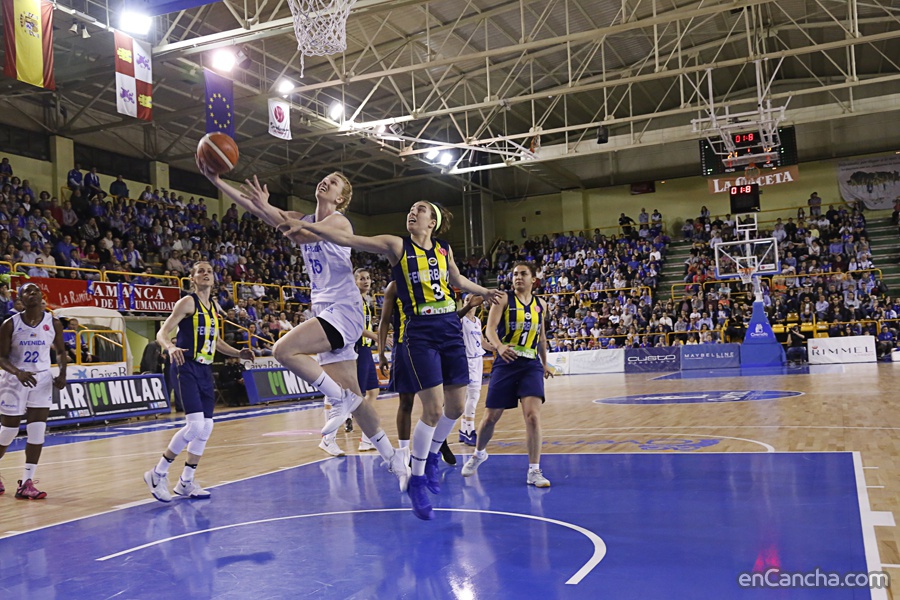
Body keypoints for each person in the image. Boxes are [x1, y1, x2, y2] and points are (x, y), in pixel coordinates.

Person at [280, 200, 503, 520]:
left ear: (433, 223)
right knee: (433, 408)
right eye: (410, 208)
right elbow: (347, 240)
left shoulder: (443, 250)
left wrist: (483, 289)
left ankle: (434, 453)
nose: (412, 212)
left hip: (450, 327)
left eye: (421, 210)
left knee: (455, 406)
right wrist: (310, 225)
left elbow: (457, 279)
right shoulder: (396, 244)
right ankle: (417, 477)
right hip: (420, 333)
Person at [198, 165, 410, 491]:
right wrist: (216, 180)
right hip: (326, 310)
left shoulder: (339, 222)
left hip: (344, 309)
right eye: (325, 177)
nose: (326, 181)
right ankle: (392, 456)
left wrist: (270, 209)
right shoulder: (302, 216)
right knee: (359, 401)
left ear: (341, 198)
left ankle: (336, 398)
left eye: (335, 182)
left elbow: (296, 233)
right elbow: (258, 209)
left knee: (284, 349)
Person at [143, 262, 255, 502]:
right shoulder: (187, 303)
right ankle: (157, 472)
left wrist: (238, 353)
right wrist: (171, 347)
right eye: (200, 271)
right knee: (194, 426)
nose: (206, 274)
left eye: (209, 271)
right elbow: (161, 334)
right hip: (187, 366)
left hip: (205, 369)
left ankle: (185, 481)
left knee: (207, 427)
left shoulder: (213, 306)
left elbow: (216, 342)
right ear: (192, 279)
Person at [461, 262, 554, 487]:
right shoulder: (502, 298)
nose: (518, 277)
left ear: (534, 279)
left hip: (530, 364)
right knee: (491, 417)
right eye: (515, 274)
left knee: (532, 416)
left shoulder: (541, 304)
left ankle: (534, 470)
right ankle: (479, 453)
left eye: (523, 274)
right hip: (506, 362)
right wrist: (500, 347)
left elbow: (541, 337)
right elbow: (490, 329)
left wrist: (545, 363)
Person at [0, 283, 67, 499]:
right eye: (27, 291)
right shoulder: (10, 324)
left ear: (41, 296)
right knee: (9, 430)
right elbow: (1, 358)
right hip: (15, 379)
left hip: (42, 379)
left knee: (38, 431)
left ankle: (27, 482)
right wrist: (18, 372)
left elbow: (60, 351)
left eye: (35, 291)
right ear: (19, 299)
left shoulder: (53, 322)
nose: (32, 294)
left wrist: (63, 373)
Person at [458, 294, 488, 446]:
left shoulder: (477, 321)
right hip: (467, 360)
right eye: (466, 300)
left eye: (472, 299)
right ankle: (470, 430)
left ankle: (463, 430)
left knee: (470, 396)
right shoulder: (461, 320)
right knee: (473, 396)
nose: (469, 302)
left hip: (478, 359)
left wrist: (499, 347)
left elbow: (482, 342)